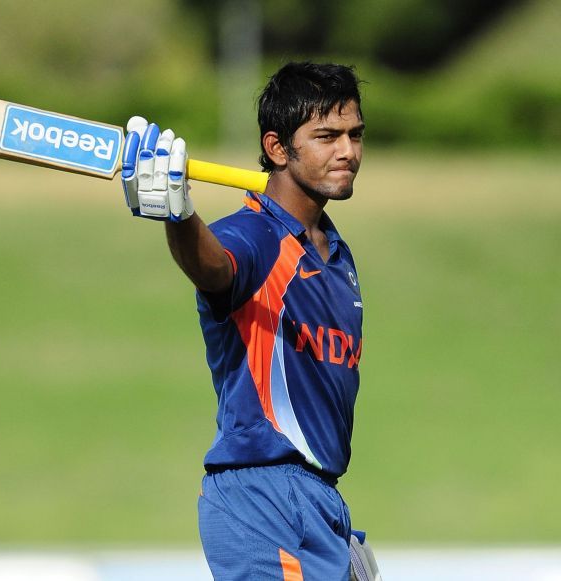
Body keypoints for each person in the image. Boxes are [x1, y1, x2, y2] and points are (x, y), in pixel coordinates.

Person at [121, 62, 381, 581]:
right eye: (326, 137)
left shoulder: (337, 256)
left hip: (321, 504)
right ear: (279, 147)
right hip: (262, 497)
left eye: (355, 135)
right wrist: (179, 216)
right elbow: (214, 267)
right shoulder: (257, 236)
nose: (347, 151)